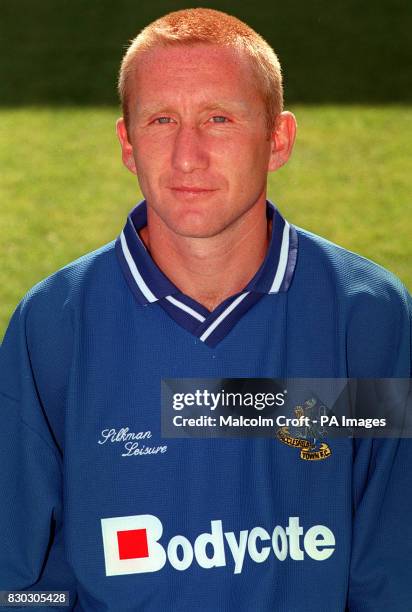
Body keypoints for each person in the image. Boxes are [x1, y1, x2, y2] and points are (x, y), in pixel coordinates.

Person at [0, 8, 411, 611]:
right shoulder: (54, 327)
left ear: (278, 140)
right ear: (127, 143)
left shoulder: (366, 317)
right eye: (161, 119)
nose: (187, 156)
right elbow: (21, 582)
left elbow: (391, 570)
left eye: (218, 118)